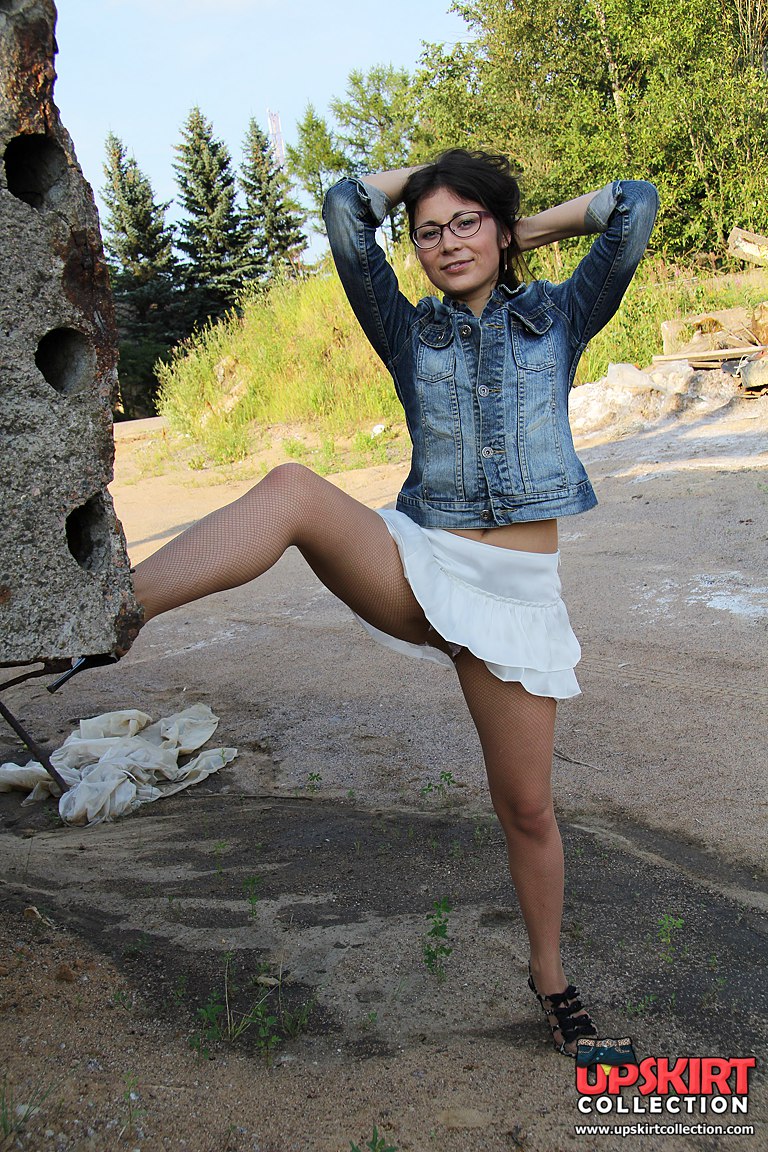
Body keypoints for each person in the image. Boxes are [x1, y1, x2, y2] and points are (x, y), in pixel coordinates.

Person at [129, 149, 658, 1056]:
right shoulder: (411, 334)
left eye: (465, 223)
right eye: (427, 232)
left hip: (515, 600)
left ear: (498, 227)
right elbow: (345, 211)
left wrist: (518, 231)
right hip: (420, 562)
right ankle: (114, 610)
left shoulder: (559, 318)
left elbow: (633, 206)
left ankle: (550, 978)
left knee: (527, 809)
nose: (446, 244)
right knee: (293, 489)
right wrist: (421, 181)